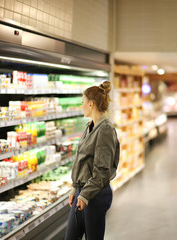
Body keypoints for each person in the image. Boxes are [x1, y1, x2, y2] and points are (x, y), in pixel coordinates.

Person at [65, 81, 120, 240]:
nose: (81, 106)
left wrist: (85, 195)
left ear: (91, 104)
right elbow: (82, 161)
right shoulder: (91, 126)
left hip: (95, 195)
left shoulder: (105, 130)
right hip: (83, 192)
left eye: (82, 103)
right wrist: (75, 189)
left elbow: (102, 170)